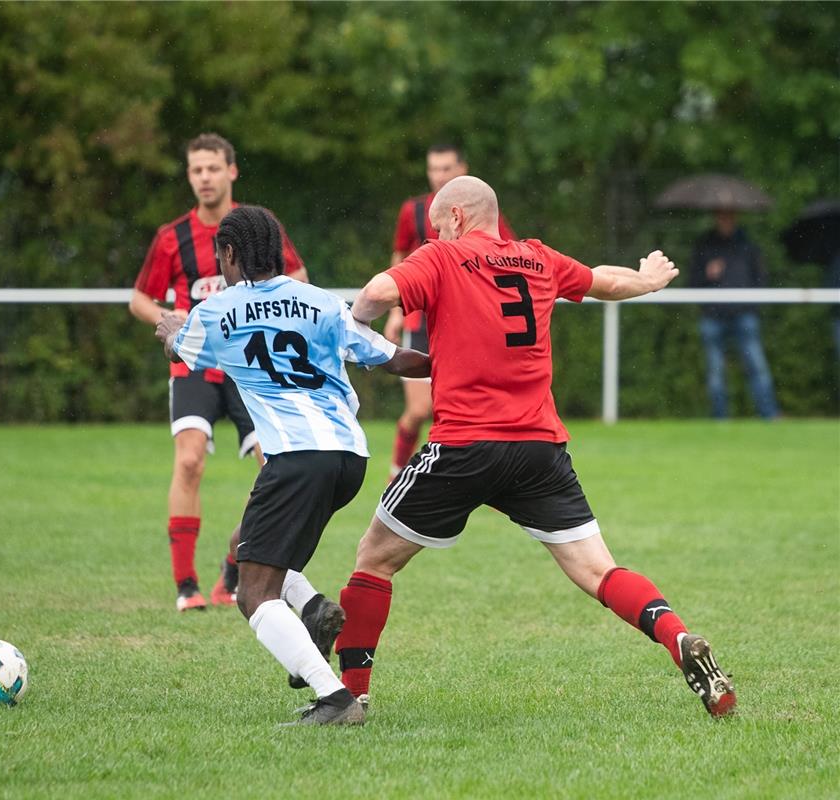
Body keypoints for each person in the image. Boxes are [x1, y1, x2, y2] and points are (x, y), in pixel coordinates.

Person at [333, 176, 737, 719]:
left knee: (373, 558)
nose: (434, 237)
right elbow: (603, 281)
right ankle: (678, 637)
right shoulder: (537, 259)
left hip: (465, 445)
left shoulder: (442, 258)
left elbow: (378, 293)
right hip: (539, 449)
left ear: (455, 217)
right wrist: (645, 280)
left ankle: (352, 694)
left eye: (436, 228)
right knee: (598, 571)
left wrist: (355, 335)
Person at [156, 206, 430, 725]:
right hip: (349, 458)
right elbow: (392, 357)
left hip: (295, 458)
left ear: (230, 254)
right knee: (247, 545)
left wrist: (170, 327)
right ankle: (312, 610)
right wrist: (453, 362)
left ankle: (335, 699)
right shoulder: (321, 302)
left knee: (250, 588)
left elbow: (180, 347)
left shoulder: (217, 311)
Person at [130, 133, 310, 612]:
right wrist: (173, 322)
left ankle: (233, 567)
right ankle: (185, 584)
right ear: (189, 176)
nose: (204, 178)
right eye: (196, 170)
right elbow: (139, 299)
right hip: (195, 366)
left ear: (231, 171)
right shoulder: (172, 237)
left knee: (274, 471)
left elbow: (299, 279)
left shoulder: (257, 227)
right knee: (189, 461)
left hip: (251, 363)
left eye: (213, 168)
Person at [383, 143, 517, 479]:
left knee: (460, 406)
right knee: (419, 409)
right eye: (433, 169)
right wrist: (396, 312)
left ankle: (455, 476)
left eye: (446, 169)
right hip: (422, 319)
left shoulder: (483, 212)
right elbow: (400, 258)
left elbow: (507, 254)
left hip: (464, 320)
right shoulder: (413, 211)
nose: (438, 176)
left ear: (462, 170)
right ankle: (397, 471)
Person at [690, 210, 779, 419]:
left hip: (744, 315)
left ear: (735, 219)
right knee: (716, 372)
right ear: (716, 219)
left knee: (757, 367)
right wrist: (707, 274)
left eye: (729, 217)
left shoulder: (748, 245)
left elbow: (761, 279)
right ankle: (720, 419)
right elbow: (692, 283)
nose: (725, 221)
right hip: (713, 317)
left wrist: (751, 307)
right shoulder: (704, 246)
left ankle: (770, 415)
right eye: (721, 217)